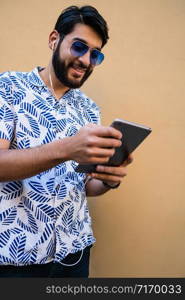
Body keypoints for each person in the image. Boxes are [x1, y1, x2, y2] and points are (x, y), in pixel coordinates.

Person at [0, 5, 133, 277]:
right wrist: (68, 148)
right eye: (79, 47)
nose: (86, 60)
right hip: (17, 256)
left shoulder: (89, 109)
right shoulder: (8, 87)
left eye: (95, 54)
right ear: (53, 40)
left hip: (75, 251)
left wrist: (108, 179)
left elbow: (85, 186)